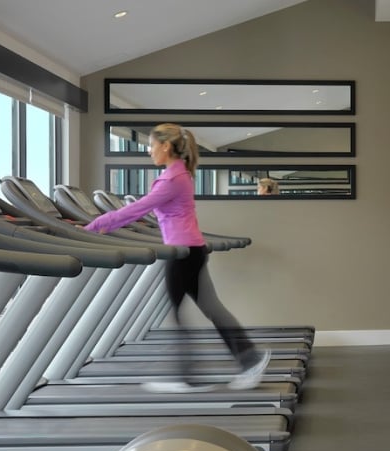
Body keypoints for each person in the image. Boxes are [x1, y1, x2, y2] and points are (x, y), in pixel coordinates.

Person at [85, 123, 270, 393]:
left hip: (183, 252)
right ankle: (248, 359)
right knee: (209, 308)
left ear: (166, 146)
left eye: (151, 145)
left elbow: (137, 209)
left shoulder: (172, 180)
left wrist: (93, 226)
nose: (149, 151)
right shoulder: (179, 175)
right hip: (192, 250)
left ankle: (190, 376)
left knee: (178, 312)